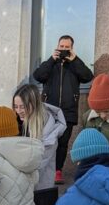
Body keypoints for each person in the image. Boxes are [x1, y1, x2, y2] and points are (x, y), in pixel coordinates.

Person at [33, 35, 94, 184]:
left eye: (67, 47)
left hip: (68, 111)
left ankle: (57, 171)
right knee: (47, 140)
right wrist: (51, 60)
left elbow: (88, 76)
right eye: (62, 46)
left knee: (63, 143)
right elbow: (38, 76)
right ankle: (43, 168)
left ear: (72, 48)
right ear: (57, 46)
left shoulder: (75, 64)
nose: (64, 49)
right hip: (49, 111)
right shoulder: (50, 63)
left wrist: (75, 60)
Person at [13, 84, 66, 190]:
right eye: (15, 106)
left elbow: (38, 163)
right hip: (25, 186)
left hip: (40, 188)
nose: (18, 111)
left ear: (34, 104)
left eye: (22, 107)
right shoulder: (20, 121)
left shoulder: (48, 128)